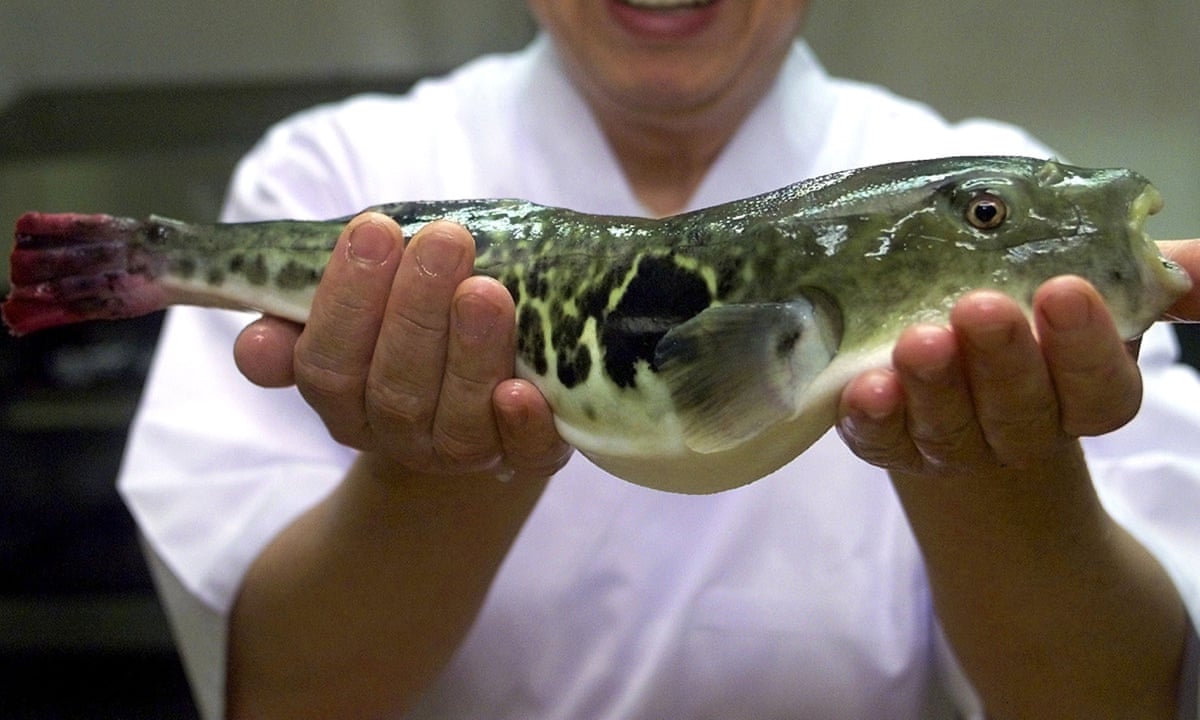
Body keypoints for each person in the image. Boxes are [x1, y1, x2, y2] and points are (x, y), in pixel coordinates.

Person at [118, 1, 1200, 718]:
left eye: (983, 216)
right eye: (983, 215)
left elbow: (1125, 694)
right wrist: (444, 447)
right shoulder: (331, 174)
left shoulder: (1003, 191)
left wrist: (998, 455)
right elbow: (282, 695)